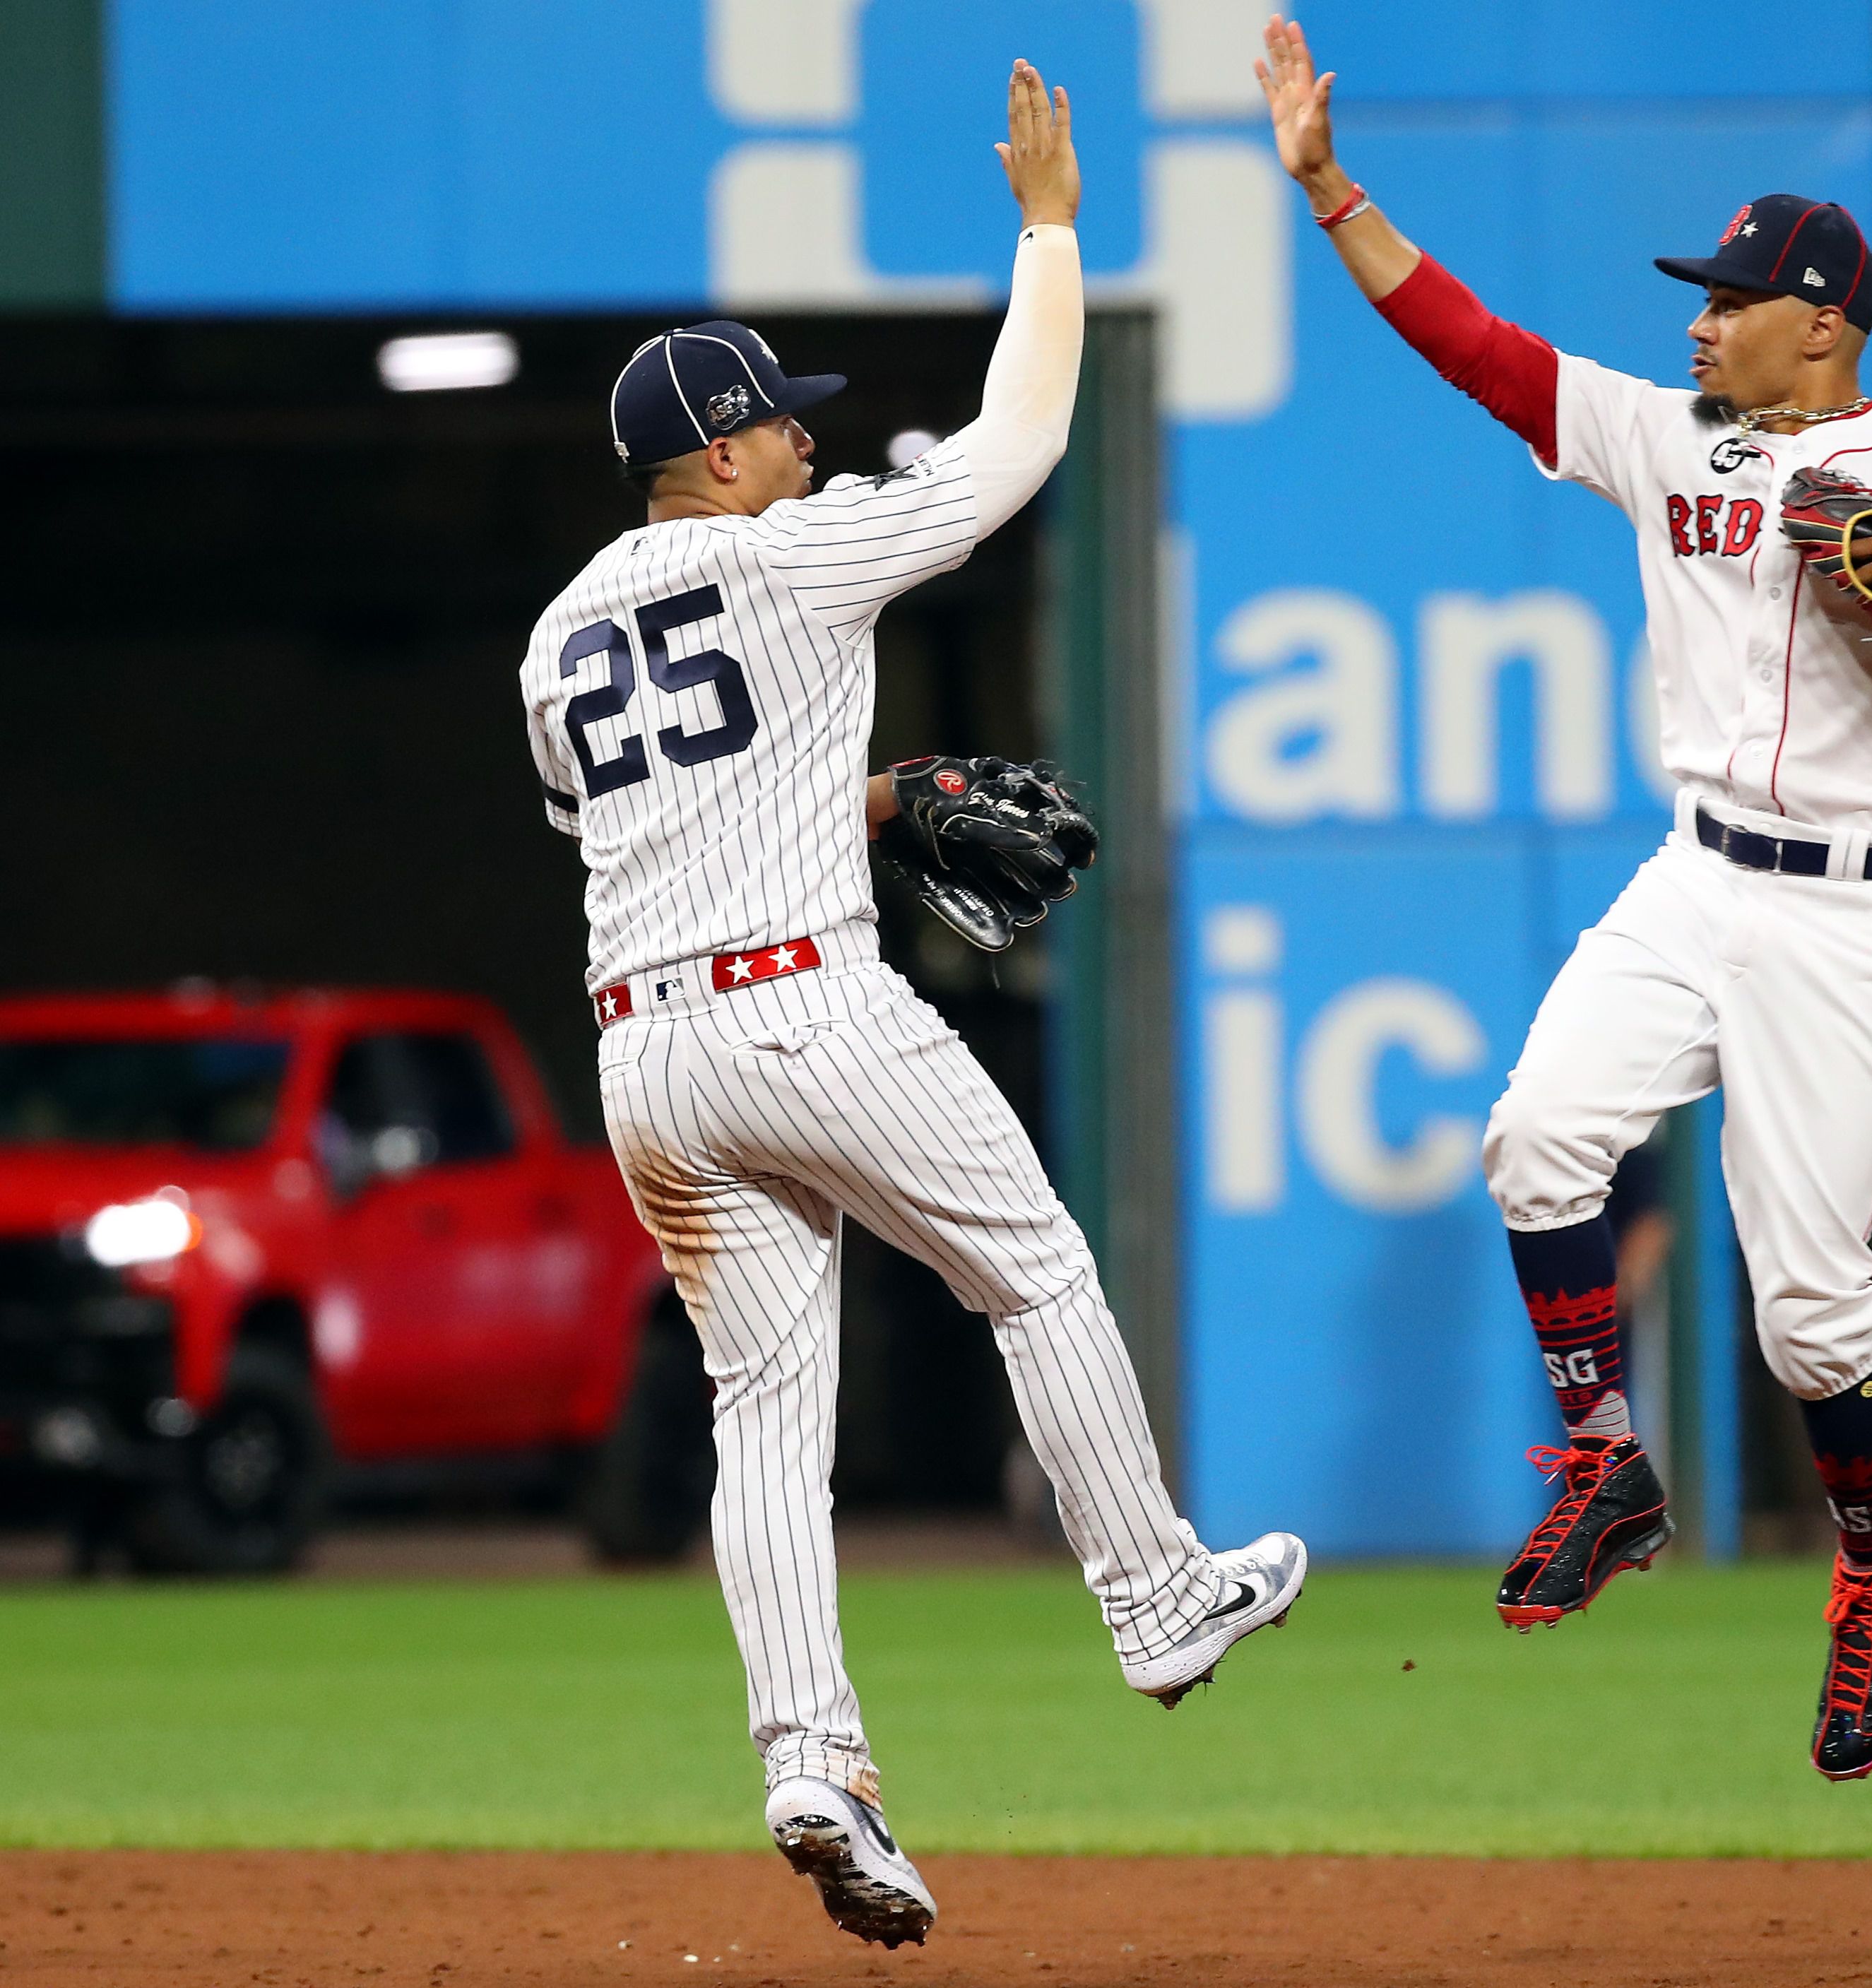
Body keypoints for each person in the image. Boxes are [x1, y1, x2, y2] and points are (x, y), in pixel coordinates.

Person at [1256, 15, 1872, 1781]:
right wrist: (1326, 191)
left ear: (1821, 317)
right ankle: (1606, 1463)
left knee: (1807, 1313)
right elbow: (1486, 357)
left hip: (1855, 908)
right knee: (1530, 1141)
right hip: (1695, 874)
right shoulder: (1677, 440)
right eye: (1697, 295)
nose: (1696, 319)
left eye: (1729, 297)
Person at [519, 64, 1305, 1950]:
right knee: (1031, 1265)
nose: (801, 443)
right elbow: (1023, 436)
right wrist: (1047, 228)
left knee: (764, 1410)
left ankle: (809, 1758)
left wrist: (880, 795)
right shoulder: (791, 550)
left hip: (648, 1050)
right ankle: (1153, 1596)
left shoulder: (554, 635)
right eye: (776, 426)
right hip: (805, 1009)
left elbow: (654, 810)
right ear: (716, 455)